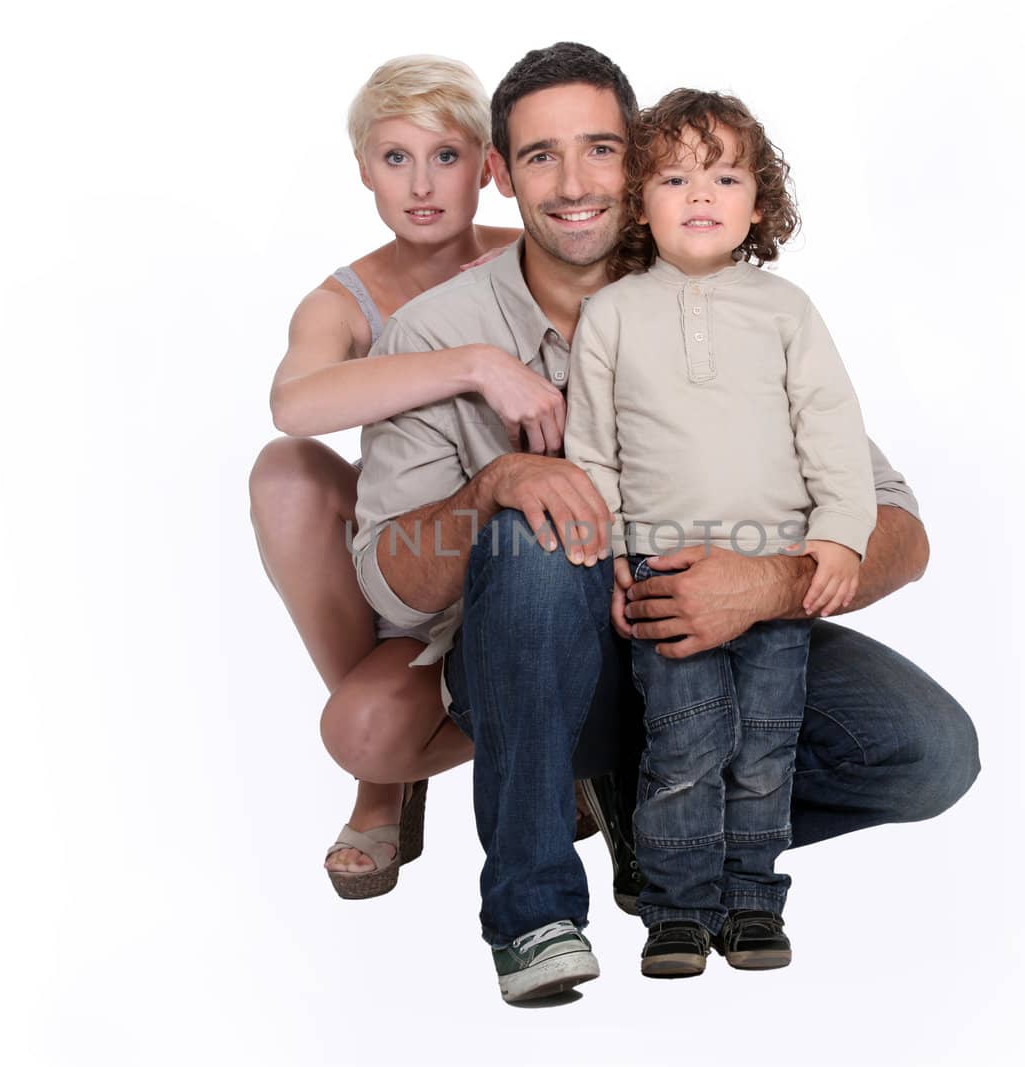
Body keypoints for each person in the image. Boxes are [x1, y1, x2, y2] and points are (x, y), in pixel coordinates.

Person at [351, 42, 980, 1003]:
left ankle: (663, 826)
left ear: (638, 162)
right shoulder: (436, 332)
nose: (573, 184)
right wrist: (495, 485)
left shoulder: (738, 301)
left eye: (601, 150)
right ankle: (536, 914)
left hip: (731, 637)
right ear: (500, 173)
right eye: (539, 156)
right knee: (534, 522)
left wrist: (761, 585)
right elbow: (387, 581)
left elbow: (895, 521)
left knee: (928, 751)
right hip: (537, 678)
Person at [562, 87, 876, 978]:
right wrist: (616, 560)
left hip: (777, 567)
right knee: (684, 746)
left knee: (765, 747)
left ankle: (750, 901)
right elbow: (594, 452)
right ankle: (675, 909)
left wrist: (842, 538)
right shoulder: (613, 316)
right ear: (639, 203)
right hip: (662, 570)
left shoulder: (786, 311)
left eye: (725, 175)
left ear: (758, 203)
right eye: (673, 177)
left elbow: (832, 429)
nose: (701, 195)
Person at [247, 55, 555, 899]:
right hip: (406, 574)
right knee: (285, 474)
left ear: (488, 169)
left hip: (528, 562)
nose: (421, 183)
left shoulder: (534, 256)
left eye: (446, 156)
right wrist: (476, 365)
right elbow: (295, 403)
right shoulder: (341, 301)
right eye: (395, 158)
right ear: (362, 170)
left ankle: (565, 744)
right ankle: (386, 778)